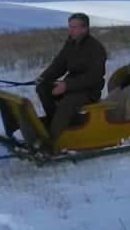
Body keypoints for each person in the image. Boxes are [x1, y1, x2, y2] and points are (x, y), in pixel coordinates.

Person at [35, 12, 107, 147]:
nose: (70, 30)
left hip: (89, 90)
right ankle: (58, 122)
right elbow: (59, 64)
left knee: (67, 102)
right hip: (71, 84)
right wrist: (43, 78)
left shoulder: (96, 49)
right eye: (70, 26)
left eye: (74, 27)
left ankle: (51, 142)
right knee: (43, 89)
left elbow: (94, 76)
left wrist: (67, 85)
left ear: (84, 29)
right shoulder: (71, 43)